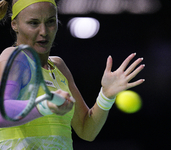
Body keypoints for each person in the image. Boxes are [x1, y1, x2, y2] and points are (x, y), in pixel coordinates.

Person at [0, 0, 145, 149]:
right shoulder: (15, 57)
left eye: (50, 21)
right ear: (15, 25)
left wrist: (106, 96)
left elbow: (86, 130)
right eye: (33, 23)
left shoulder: (59, 67)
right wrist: (45, 105)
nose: (43, 31)